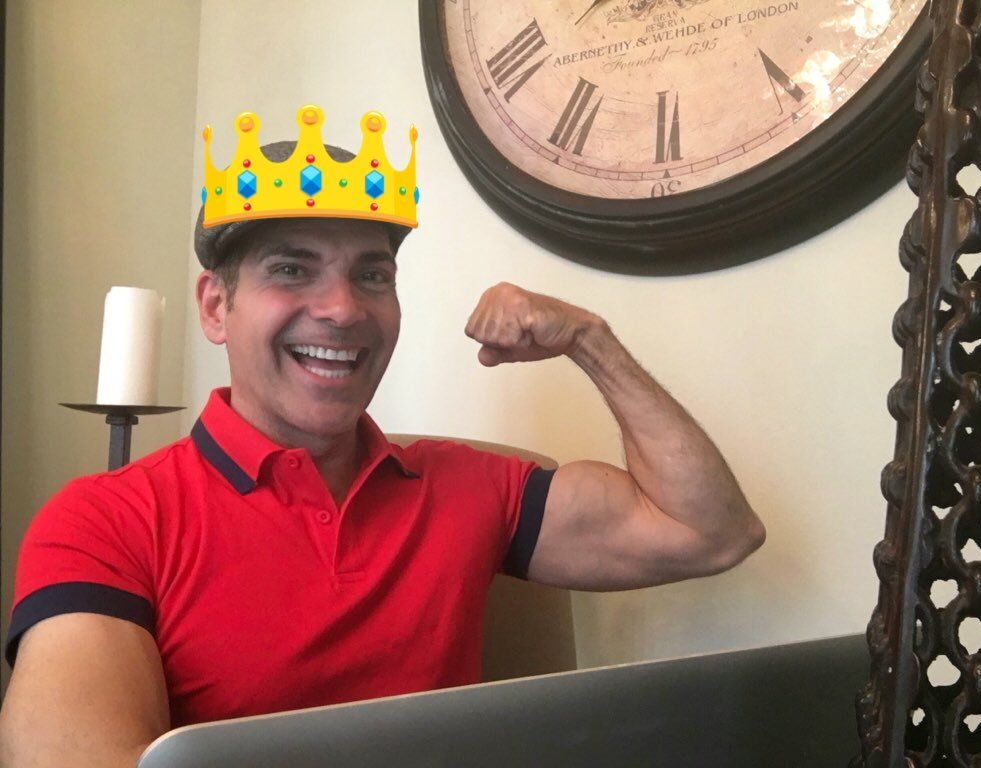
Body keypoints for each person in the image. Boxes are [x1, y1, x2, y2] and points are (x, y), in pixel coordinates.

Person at [0, 108, 764, 767]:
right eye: (291, 270)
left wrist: (591, 340)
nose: (343, 309)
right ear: (213, 306)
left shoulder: (472, 486)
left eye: (372, 276)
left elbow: (710, 532)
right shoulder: (104, 522)